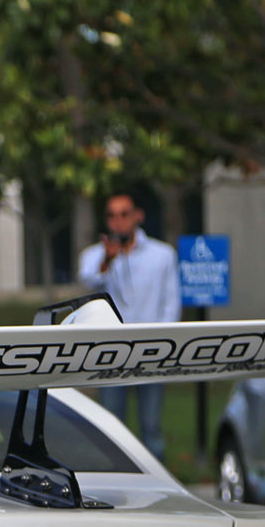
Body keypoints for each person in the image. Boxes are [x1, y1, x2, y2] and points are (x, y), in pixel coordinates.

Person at [76, 192, 180, 460]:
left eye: (124, 214)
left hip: (151, 351)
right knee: (111, 425)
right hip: (110, 352)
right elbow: (88, 280)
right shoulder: (95, 255)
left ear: (138, 216)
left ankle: (158, 487)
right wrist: (108, 261)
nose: (118, 221)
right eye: (112, 215)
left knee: (151, 426)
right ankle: (115, 483)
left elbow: (171, 304)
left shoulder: (162, 254)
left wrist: (163, 343)